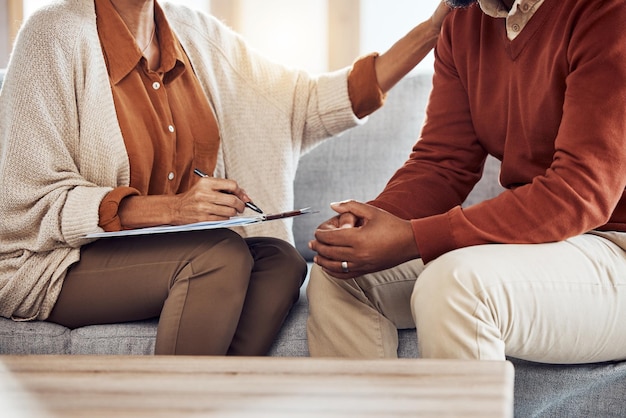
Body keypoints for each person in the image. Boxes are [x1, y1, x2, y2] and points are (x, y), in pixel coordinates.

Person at [0, 0, 449, 356]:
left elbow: (305, 104)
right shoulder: (52, 35)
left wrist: (432, 29)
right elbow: (27, 200)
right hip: (54, 262)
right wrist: (174, 209)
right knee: (218, 256)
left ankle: (210, 404)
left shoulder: (193, 35)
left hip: (166, 255)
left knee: (280, 261)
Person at [307, 0, 626, 364]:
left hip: (616, 246)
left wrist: (413, 238)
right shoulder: (465, 20)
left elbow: (579, 192)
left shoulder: (608, 12)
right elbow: (443, 163)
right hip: (542, 242)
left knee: (453, 285)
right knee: (339, 272)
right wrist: (369, 222)